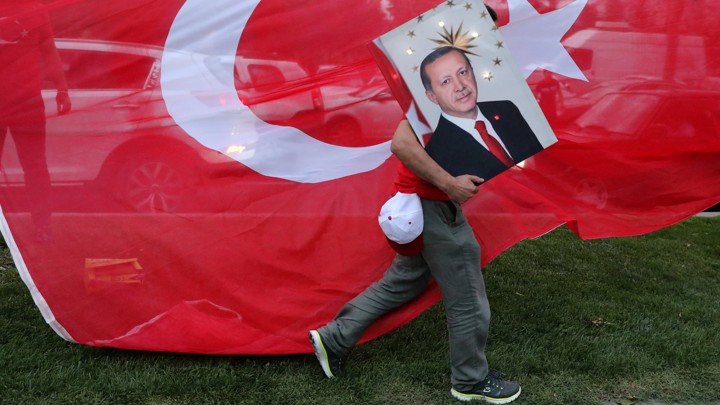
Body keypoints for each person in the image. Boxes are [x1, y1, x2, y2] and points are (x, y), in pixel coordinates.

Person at [309, 7, 525, 404]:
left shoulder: (477, 97)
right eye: (447, 79)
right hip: (430, 207)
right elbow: (401, 144)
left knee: (404, 281)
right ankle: (470, 380)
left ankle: (332, 337)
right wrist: (448, 184)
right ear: (431, 89)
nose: (459, 83)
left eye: (464, 72)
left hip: (427, 206)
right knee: (468, 300)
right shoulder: (425, 103)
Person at [0, 1, 71, 240]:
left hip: (27, 103)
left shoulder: (35, 10)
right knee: (36, 166)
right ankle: (41, 226)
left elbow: (49, 51)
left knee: (35, 166)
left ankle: (43, 225)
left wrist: (62, 89)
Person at [421, 46, 544, 181]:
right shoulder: (436, 154)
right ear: (432, 96)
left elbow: (542, 160)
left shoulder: (506, 109)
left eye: (462, 73)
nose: (460, 86)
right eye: (446, 81)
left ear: (473, 73)